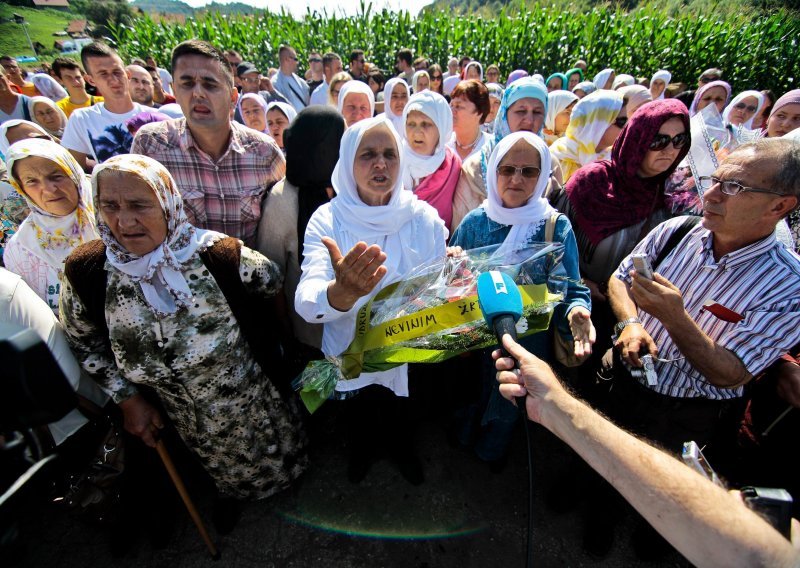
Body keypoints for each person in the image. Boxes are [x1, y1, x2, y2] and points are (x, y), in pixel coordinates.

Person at [59, 154, 307, 531]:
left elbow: (271, 283)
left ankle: (295, 487)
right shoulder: (88, 273)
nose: (124, 221)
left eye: (140, 205)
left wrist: (283, 345)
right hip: (181, 417)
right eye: (110, 205)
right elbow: (84, 344)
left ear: (168, 202)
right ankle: (230, 493)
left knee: (284, 453)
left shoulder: (217, 254)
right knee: (216, 467)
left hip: (255, 396)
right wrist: (129, 399)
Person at [493, 334, 800, 568]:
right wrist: (553, 405)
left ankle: (608, 525)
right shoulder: (685, 246)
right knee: (591, 464)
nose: (734, 501)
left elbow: (751, 550)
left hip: (692, 411)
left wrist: (674, 314)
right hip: (630, 384)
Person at [295, 115, 447, 484]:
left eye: (389, 154)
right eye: (367, 155)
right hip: (349, 347)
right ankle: (361, 453)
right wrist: (340, 294)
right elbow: (306, 298)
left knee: (404, 409)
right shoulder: (327, 220)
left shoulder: (424, 218)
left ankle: (402, 451)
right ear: (348, 162)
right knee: (359, 410)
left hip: (407, 345)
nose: (380, 164)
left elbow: (438, 287)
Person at [450, 131, 593, 467]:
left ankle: (490, 455)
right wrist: (453, 266)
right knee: (470, 395)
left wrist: (575, 311)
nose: (516, 178)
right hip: (474, 343)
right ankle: (463, 443)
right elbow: (451, 284)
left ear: (543, 175)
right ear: (493, 171)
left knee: (509, 406)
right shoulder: (474, 223)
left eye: (529, 171)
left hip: (529, 343)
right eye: (507, 169)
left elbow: (570, 287)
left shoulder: (555, 227)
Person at [551, 99, 690, 368]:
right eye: (658, 140)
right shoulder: (591, 183)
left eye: (679, 140)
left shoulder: (678, 195)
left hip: (639, 320)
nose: (670, 150)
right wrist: (580, 283)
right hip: (579, 309)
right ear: (638, 139)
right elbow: (552, 244)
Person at [131, 40, 285, 248]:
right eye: (187, 84)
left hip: (246, 278)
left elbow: (280, 224)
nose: (198, 93)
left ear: (232, 97)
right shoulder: (151, 147)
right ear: (174, 91)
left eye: (210, 84)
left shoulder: (264, 152)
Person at [256, 106, 346, 351]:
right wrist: (286, 337)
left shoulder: (348, 188)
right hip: (309, 336)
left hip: (353, 333)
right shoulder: (282, 200)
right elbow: (271, 275)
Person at [3, 139, 98, 313]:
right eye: (32, 181)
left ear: (74, 174)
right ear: (21, 188)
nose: (48, 189)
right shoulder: (21, 249)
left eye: (56, 176)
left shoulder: (114, 217)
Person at [451, 77, 554, 230]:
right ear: (505, 113)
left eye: (537, 112)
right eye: (521, 111)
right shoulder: (476, 167)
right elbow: (460, 232)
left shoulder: (551, 166)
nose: (529, 120)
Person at [61, 42, 155, 170]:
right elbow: (75, 168)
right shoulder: (82, 119)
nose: (114, 80)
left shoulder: (152, 116)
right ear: (91, 80)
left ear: (127, 74)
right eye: (103, 74)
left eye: (117, 72)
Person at [402, 91, 462, 230]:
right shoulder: (393, 160)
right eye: (411, 124)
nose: (417, 132)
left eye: (426, 124)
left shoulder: (452, 165)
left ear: (442, 127)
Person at [549, 89, 626, 183]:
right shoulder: (557, 156)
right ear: (598, 124)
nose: (627, 127)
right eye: (622, 122)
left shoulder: (617, 159)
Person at [447, 80, 492, 163]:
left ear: (479, 112)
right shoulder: (443, 146)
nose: (452, 111)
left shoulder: (492, 148)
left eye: (458, 106)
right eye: (451, 105)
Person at [273, 45, 309, 113]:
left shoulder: (300, 81)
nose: (297, 62)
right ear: (287, 59)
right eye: (295, 59)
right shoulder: (275, 83)